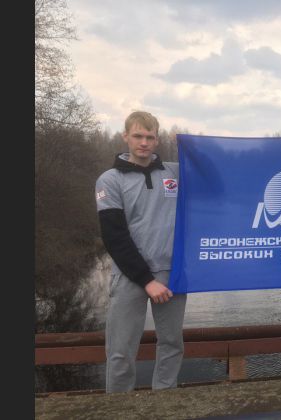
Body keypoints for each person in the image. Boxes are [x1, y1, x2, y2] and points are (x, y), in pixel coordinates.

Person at [95, 111, 187, 393]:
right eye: (138, 136)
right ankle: (119, 407)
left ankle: (165, 401)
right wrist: (147, 280)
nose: (144, 142)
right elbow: (114, 237)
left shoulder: (175, 173)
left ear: (157, 139)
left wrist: (193, 147)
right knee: (121, 351)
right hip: (130, 276)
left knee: (172, 344)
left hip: (172, 274)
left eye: (150, 137)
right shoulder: (110, 180)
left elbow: (215, 176)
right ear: (126, 136)